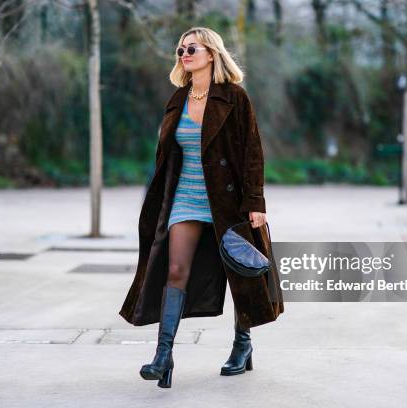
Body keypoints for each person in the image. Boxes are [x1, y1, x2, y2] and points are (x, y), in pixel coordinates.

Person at [119, 26, 283, 389]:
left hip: (227, 200)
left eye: (191, 48)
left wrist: (255, 202)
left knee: (239, 272)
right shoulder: (177, 99)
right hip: (185, 198)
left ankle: (243, 344)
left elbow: (252, 152)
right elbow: (167, 156)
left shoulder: (234, 98)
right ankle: (164, 356)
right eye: (179, 50)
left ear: (211, 52)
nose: (184, 55)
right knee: (175, 269)